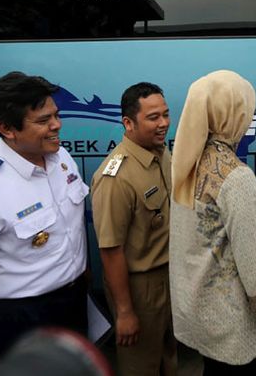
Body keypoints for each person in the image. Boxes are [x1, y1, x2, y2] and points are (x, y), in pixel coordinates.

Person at [0, 72, 89, 375]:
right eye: (43, 120)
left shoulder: (61, 159)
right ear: (7, 129)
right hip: (22, 319)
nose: (56, 125)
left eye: (56, 115)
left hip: (72, 303)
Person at [171, 70, 256, 375]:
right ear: (232, 114)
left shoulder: (188, 160)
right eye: (246, 109)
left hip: (201, 313)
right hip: (234, 325)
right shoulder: (236, 179)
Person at [90, 82, 177, 376]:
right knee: (141, 366)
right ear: (128, 123)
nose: (163, 123)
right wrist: (125, 312)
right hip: (140, 289)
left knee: (168, 358)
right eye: (153, 117)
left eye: (166, 114)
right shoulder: (115, 177)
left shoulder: (161, 153)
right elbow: (111, 250)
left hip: (169, 278)